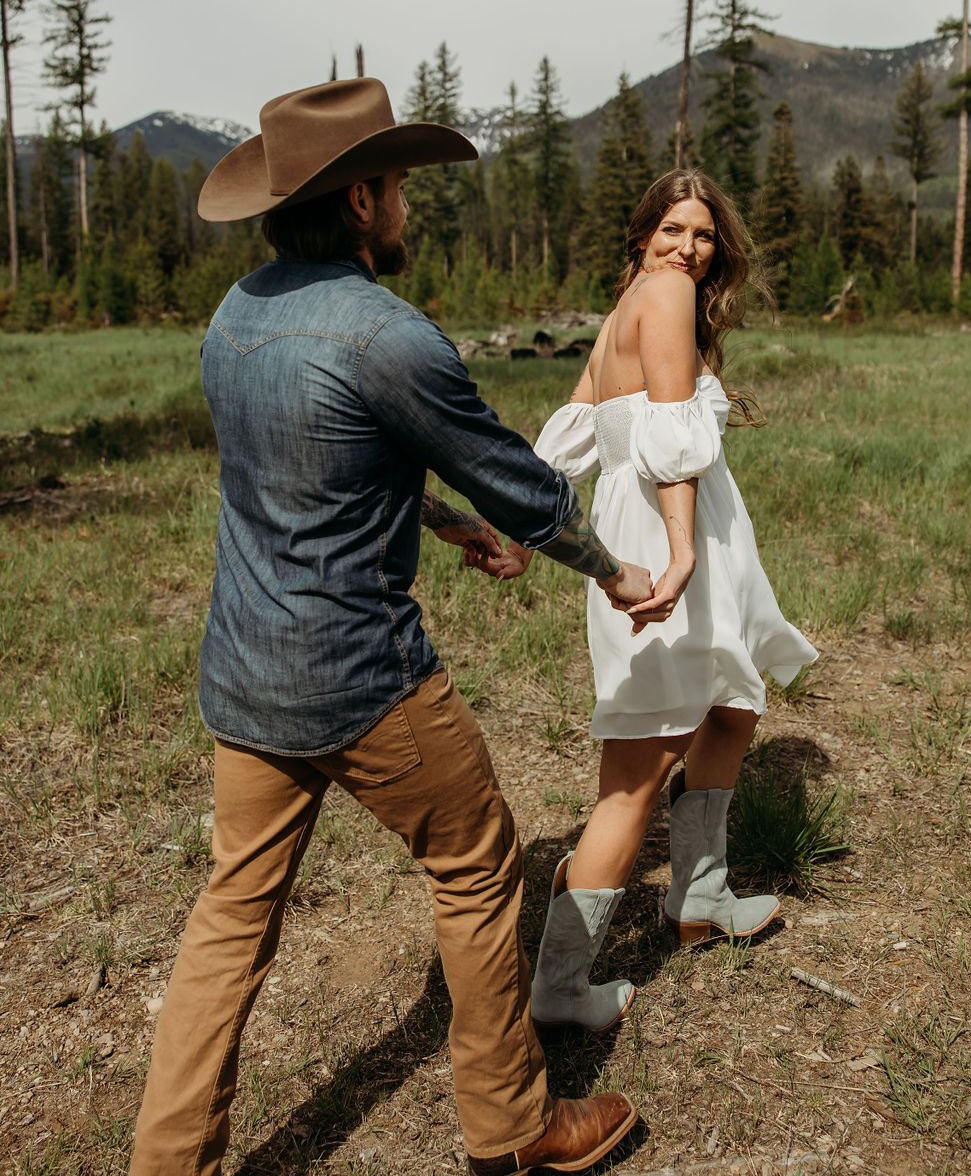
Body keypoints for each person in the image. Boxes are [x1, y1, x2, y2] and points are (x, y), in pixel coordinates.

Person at [128, 78, 652, 1176]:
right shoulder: (387, 334)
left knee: (230, 920)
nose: (409, 204)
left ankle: (165, 1163)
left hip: (243, 679)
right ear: (362, 199)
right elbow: (520, 479)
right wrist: (611, 568)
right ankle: (514, 1132)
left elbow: (308, 467)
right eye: (400, 185)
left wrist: (439, 520)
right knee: (475, 865)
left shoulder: (234, 316)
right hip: (364, 681)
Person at [517, 170, 818, 1032]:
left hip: (666, 518)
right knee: (637, 773)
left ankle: (699, 895)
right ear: (642, 236)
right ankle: (562, 986)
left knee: (731, 707)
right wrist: (683, 547)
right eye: (674, 229)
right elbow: (671, 435)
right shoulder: (666, 295)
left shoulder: (626, 314)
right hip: (664, 523)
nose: (689, 247)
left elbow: (570, 436)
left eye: (705, 235)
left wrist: (517, 527)